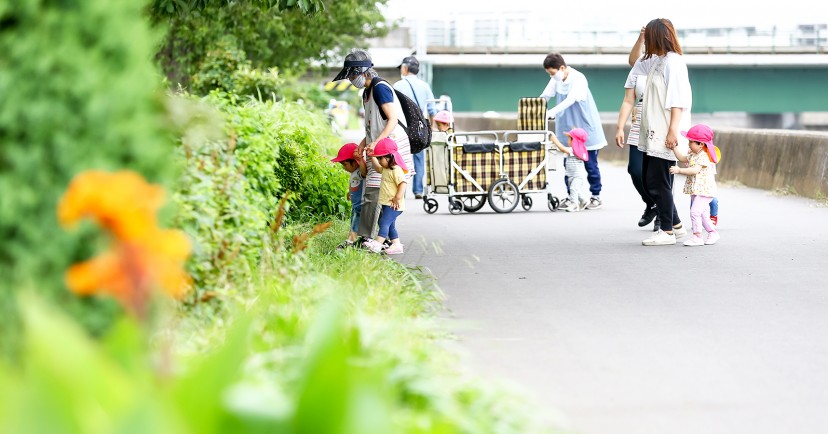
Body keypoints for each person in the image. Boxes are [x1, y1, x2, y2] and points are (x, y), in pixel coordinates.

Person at [332, 49, 415, 249]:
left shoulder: (380, 88)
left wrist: (376, 142)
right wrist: (364, 143)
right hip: (378, 145)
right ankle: (388, 240)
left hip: (390, 147)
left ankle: (366, 238)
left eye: (353, 74)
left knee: (374, 192)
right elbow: (373, 125)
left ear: (363, 71)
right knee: (382, 194)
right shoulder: (366, 92)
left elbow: (392, 119)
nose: (351, 79)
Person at [628, 19, 692, 246]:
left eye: (649, 38)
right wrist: (640, 38)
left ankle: (666, 231)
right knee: (650, 178)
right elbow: (634, 63)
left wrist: (673, 132)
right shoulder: (657, 61)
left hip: (666, 130)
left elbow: (678, 101)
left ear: (657, 37)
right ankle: (676, 225)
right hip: (653, 130)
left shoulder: (673, 63)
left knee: (658, 181)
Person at [539, 52, 607, 210]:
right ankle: (572, 197)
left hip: (584, 128)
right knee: (569, 164)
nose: (552, 76)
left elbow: (571, 99)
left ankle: (596, 196)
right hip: (568, 130)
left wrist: (551, 113)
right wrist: (535, 108)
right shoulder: (555, 80)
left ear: (562, 67)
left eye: (553, 73)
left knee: (590, 165)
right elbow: (545, 96)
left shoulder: (578, 78)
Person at [616, 28, 659, 230]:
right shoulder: (639, 67)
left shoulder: (668, 63)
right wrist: (620, 128)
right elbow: (628, 101)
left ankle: (664, 213)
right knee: (635, 169)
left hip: (661, 120)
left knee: (660, 172)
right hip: (639, 121)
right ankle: (651, 203)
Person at [669, 124, 721, 246]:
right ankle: (713, 233)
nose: (688, 144)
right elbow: (682, 158)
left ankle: (697, 236)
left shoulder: (703, 156)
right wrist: (674, 148)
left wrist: (679, 170)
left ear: (701, 144)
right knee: (702, 214)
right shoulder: (694, 153)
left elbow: (694, 170)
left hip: (705, 190)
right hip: (696, 189)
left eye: (691, 142)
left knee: (694, 212)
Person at [394, 56, 436, 200]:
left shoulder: (398, 86)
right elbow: (432, 110)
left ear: (405, 68)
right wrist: (432, 129)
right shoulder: (425, 86)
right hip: (419, 128)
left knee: (400, 158)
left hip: (401, 128)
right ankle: (418, 190)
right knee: (419, 159)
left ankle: (401, 188)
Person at [363, 138, 408, 255]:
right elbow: (377, 168)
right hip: (386, 203)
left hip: (394, 204)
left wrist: (397, 197)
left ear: (389, 157)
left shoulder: (396, 170)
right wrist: (372, 156)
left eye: (380, 158)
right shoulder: (385, 168)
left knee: (384, 223)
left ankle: (377, 244)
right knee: (390, 225)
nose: (379, 161)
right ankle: (397, 245)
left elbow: (403, 183)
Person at [330, 142, 367, 249]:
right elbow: (354, 184)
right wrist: (349, 192)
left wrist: (360, 160)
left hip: (361, 203)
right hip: (356, 204)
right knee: (354, 220)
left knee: (355, 221)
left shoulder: (360, 170)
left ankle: (351, 241)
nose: (344, 168)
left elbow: (365, 173)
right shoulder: (353, 172)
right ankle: (357, 240)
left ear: (354, 163)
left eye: (345, 164)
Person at [551, 128, 590, 212]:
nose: (568, 141)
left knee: (573, 189)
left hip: (577, 176)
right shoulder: (576, 150)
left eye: (569, 138)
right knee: (577, 191)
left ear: (574, 140)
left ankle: (574, 204)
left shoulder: (573, 150)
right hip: (572, 175)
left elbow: (562, 149)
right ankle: (584, 201)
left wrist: (554, 140)